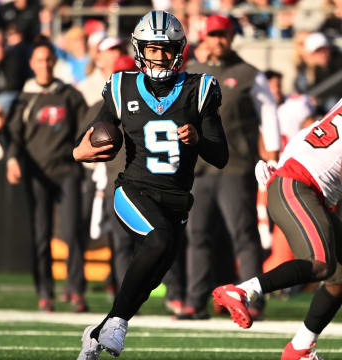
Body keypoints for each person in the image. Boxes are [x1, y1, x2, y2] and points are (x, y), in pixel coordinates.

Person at [73, 10, 228, 359]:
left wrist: (199, 140)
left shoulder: (199, 89)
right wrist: (79, 152)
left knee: (151, 276)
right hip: (133, 190)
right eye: (153, 49)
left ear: (180, 50)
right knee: (158, 240)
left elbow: (220, 156)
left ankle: (99, 333)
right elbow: (94, 135)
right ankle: (116, 326)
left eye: (167, 49)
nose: (160, 56)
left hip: (176, 199)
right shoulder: (121, 85)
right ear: (141, 49)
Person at [213, 98, 342, 360]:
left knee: (339, 277)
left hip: (299, 184)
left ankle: (300, 349)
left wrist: (283, 161)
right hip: (298, 186)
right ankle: (242, 291)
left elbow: (313, 130)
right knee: (321, 263)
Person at [173, 13, 280, 320]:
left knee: (243, 234)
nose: (219, 40)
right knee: (198, 234)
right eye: (214, 34)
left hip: (236, 167)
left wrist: (271, 159)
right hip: (199, 169)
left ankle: (252, 300)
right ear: (204, 38)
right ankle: (195, 301)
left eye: (224, 34)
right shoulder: (190, 73)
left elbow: (268, 116)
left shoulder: (248, 74)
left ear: (232, 37)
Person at [6, 37, 89, 313]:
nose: (44, 64)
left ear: (55, 61)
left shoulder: (69, 95)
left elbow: (84, 131)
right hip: (36, 175)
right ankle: (45, 292)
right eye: (39, 59)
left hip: (67, 172)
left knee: (73, 233)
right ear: (32, 63)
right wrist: (12, 160)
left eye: (48, 59)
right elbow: (14, 136)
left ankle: (76, 291)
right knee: (40, 236)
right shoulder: (24, 98)